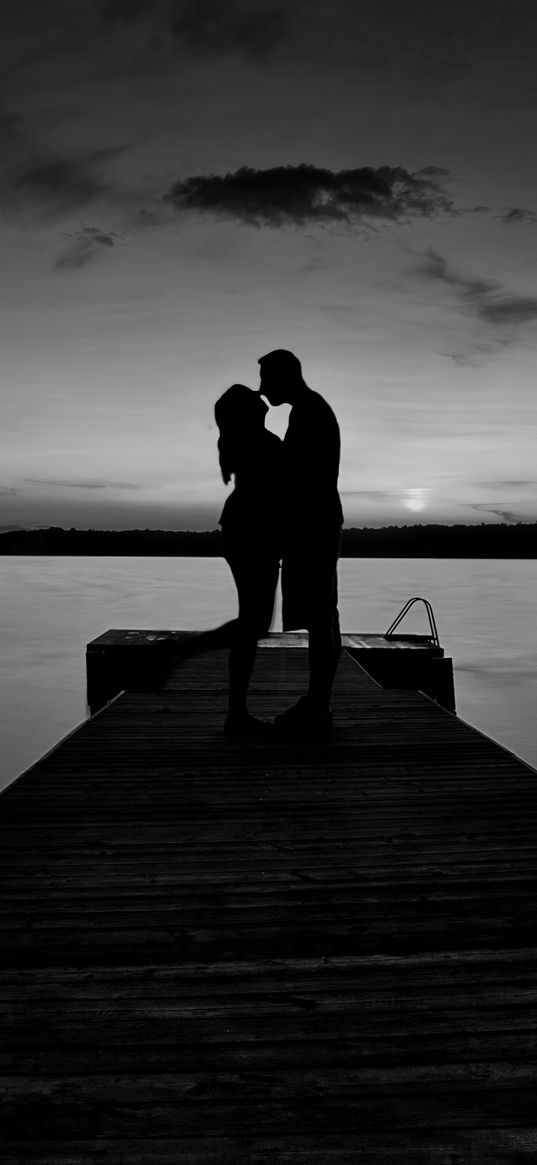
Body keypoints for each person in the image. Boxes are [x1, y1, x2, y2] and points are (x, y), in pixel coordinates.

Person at [258, 349, 343, 737]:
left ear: (284, 377)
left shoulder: (309, 411)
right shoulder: (309, 409)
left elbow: (298, 475)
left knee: (321, 617)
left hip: (314, 526)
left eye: (265, 381)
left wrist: (268, 445)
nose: (261, 390)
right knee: (322, 615)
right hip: (315, 524)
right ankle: (318, 702)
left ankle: (318, 705)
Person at [214, 383, 283, 737]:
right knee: (253, 625)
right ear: (247, 411)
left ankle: (236, 712)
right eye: (254, 399)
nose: (262, 398)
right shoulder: (262, 443)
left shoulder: (241, 441)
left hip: (241, 530)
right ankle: (235, 713)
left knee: (253, 623)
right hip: (253, 535)